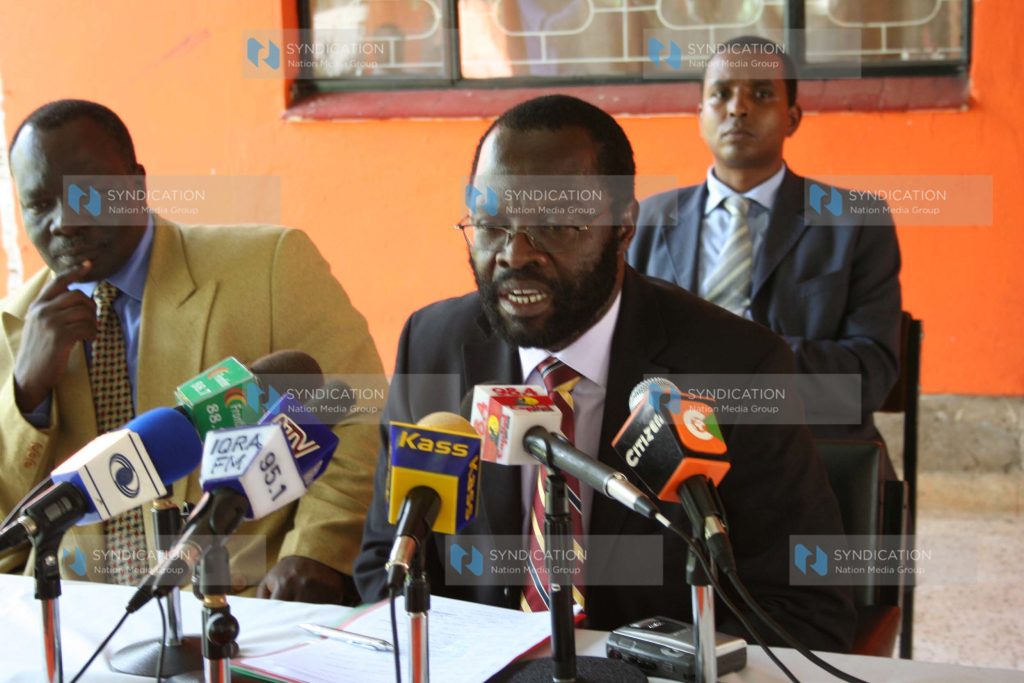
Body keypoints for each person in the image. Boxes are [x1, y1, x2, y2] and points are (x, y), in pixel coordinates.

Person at [354, 94, 856, 652]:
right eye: (491, 225)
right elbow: (386, 563)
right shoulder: (433, 345)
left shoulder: (736, 367)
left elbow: (807, 607)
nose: (515, 254)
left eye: (556, 226)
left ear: (623, 226)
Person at [0, 99, 383, 603]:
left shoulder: (270, 265)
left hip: (241, 611)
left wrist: (314, 553)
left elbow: (360, 413)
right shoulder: (14, 325)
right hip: (76, 623)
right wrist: (27, 394)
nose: (64, 223)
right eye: (39, 204)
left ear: (136, 184)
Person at [628, 36, 902, 442]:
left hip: (811, 451)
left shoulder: (855, 222)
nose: (738, 108)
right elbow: (622, 357)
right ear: (700, 114)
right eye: (721, 94)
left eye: (761, 93)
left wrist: (745, 360)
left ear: (792, 118)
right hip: (671, 450)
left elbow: (869, 377)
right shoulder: (647, 220)